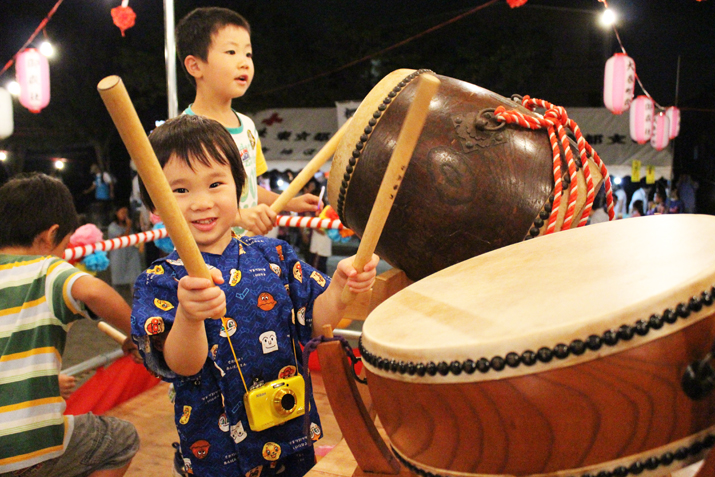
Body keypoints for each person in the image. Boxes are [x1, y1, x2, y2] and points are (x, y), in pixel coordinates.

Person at [131, 115, 378, 477]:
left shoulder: (274, 255)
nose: (201, 202)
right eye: (179, 191)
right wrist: (189, 316)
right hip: (215, 454)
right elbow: (182, 365)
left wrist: (341, 289)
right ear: (154, 205)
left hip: (290, 433)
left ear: (239, 185)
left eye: (215, 183)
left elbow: (318, 322)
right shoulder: (159, 281)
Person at [0, 173, 140, 477]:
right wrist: (139, 335)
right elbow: (93, 291)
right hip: (28, 446)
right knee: (120, 440)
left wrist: (50, 381)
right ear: (50, 237)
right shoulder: (47, 268)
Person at [175, 7, 320, 236]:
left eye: (248, 54)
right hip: (207, 258)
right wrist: (238, 217)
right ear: (195, 66)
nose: (244, 63)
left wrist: (290, 202)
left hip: (245, 251)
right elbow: (179, 204)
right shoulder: (185, 133)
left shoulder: (248, 127)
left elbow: (249, 188)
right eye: (231, 52)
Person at [108, 205, 143, 304]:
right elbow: (123, 238)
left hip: (131, 255)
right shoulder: (112, 227)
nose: (124, 215)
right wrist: (128, 226)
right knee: (117, 283)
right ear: (116, 213)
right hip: (118, 257)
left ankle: (137, 303)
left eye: (126, 213)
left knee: (134, 279)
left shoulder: (131, 226)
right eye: (122, 213)